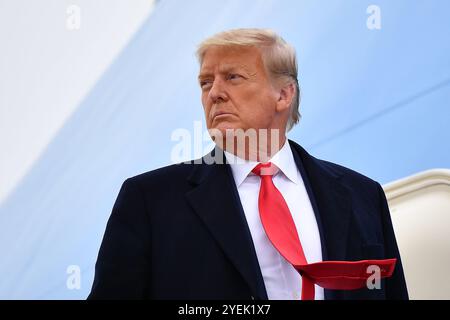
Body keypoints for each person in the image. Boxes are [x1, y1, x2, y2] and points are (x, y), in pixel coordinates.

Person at [88, 28, 408, 300]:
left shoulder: (363, 195)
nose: (214, 93)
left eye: (233, 77)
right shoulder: (149, 200)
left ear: (283, 95)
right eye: (205, 83)